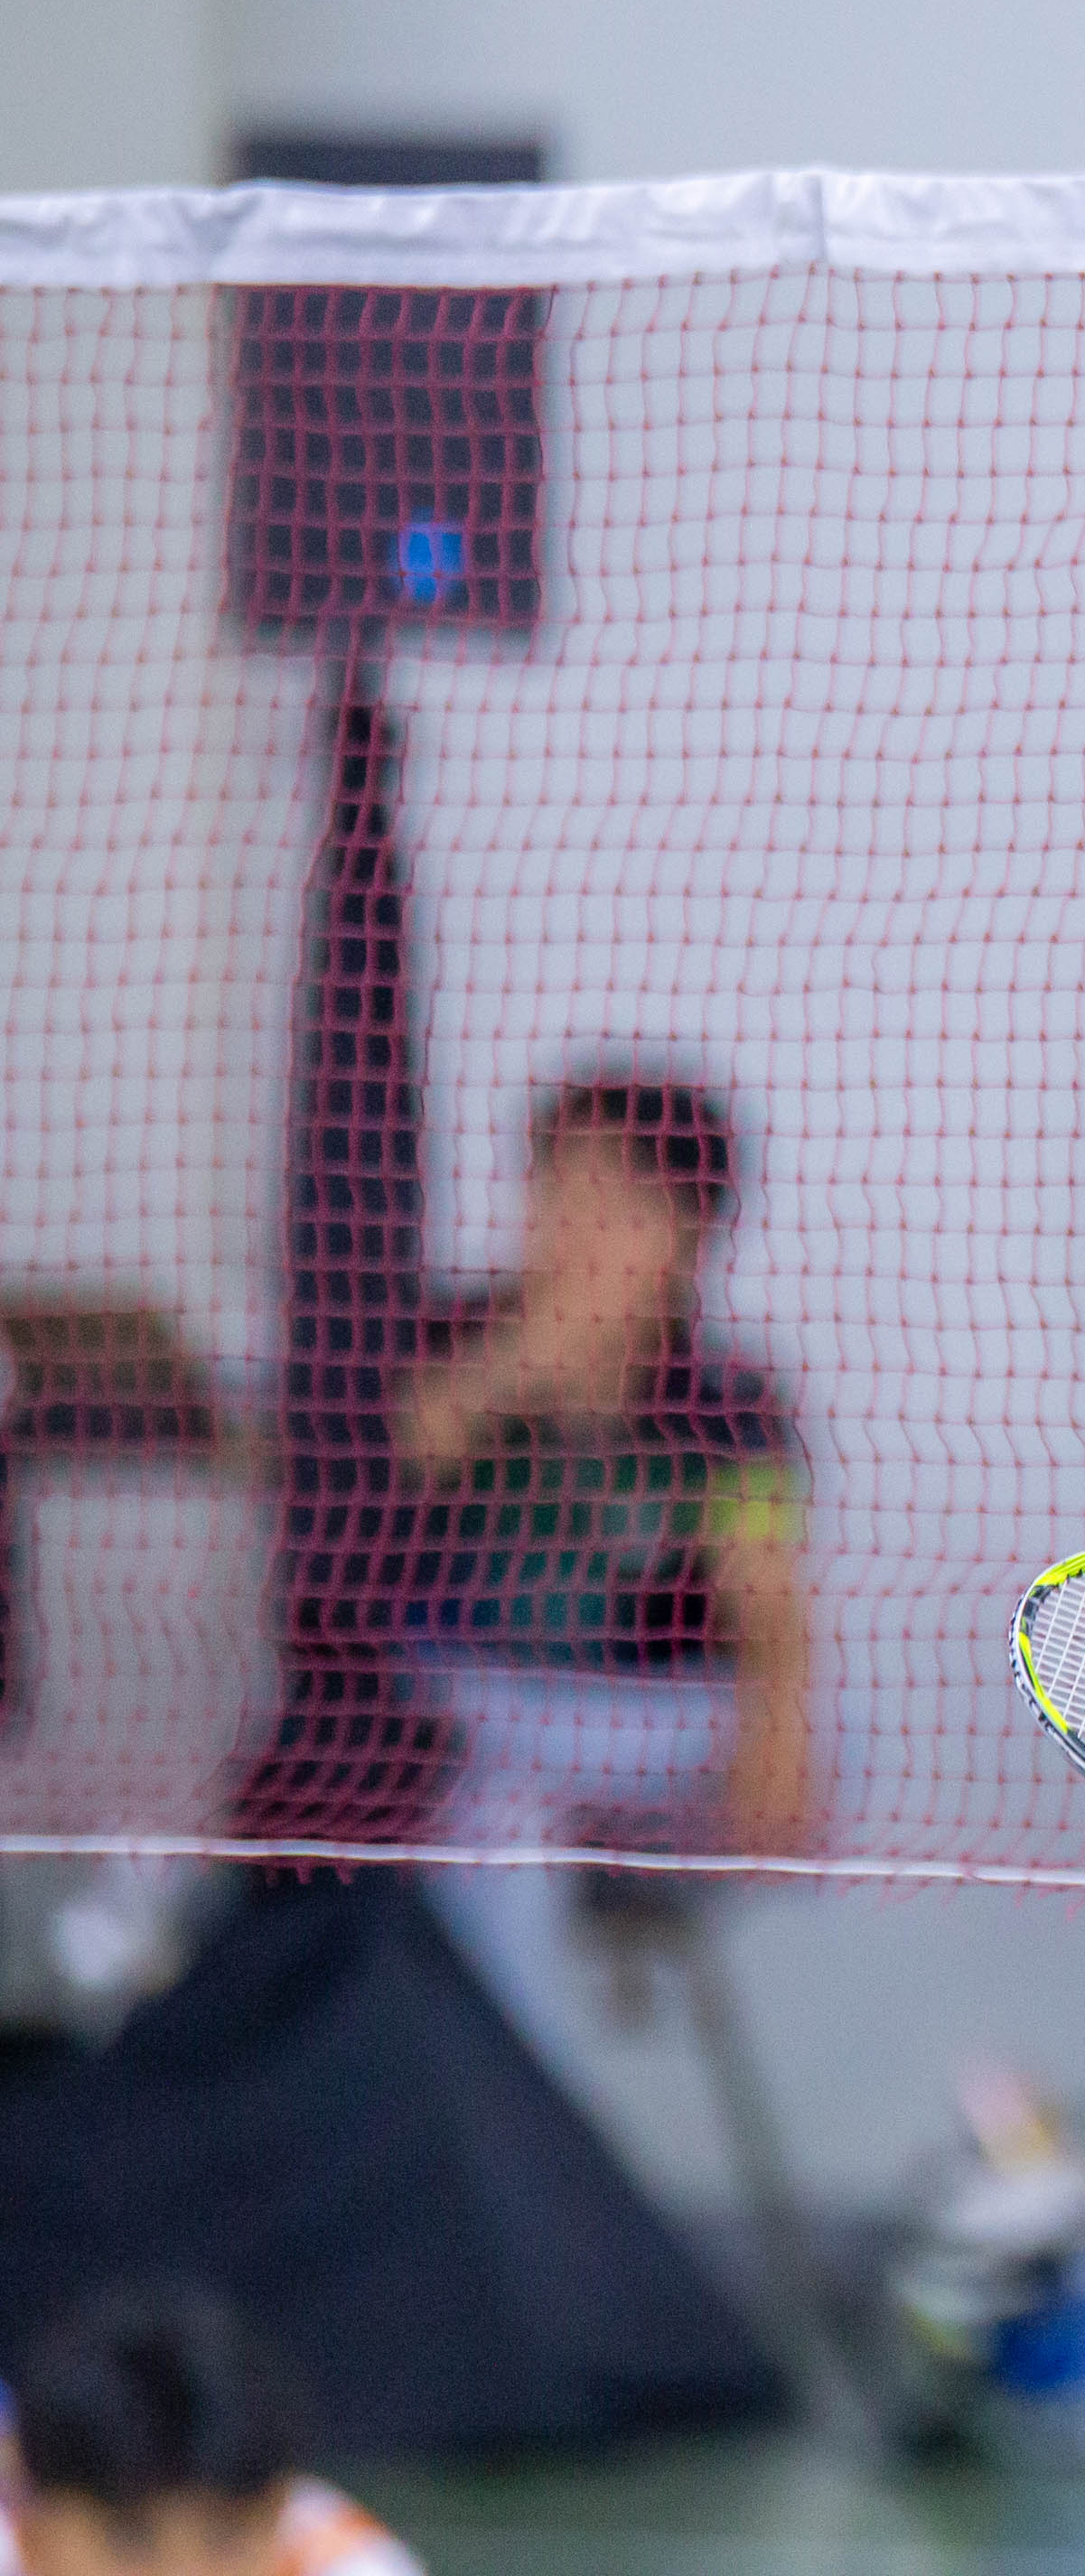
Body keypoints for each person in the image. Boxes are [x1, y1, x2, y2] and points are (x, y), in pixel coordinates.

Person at [385, 1069, 813, 2086]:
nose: (575, 1227)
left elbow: (763, 1592)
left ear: (689, 1234)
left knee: (838, 1722)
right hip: (465, 1716)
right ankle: (509, 2106)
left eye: (619, 1199)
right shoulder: (445, 1343)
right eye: (559, 1189)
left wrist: (782, 1716)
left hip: (635, 1729)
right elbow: (396, 1455)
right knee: (505, 1827)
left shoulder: (729, 1401)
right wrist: (522, 1364)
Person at [0, 2285, 420, 2576]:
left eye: (224, 2536)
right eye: (132, 2538)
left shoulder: (353, 2566)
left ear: (278, 2515)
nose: (185, 2573)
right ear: (34, 2533)